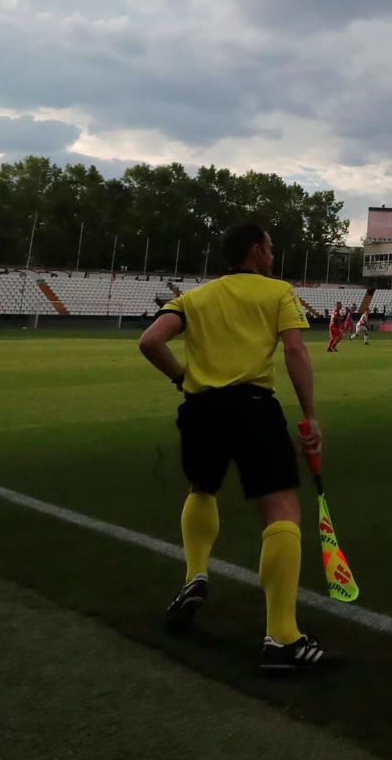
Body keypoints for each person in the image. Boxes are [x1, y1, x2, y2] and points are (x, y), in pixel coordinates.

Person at [137, 222, 329, 671]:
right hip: (253, 407)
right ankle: (282, 638)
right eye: (271, 247)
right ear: (257, 251)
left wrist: (182, 377)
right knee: (281, 509)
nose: (274, 254)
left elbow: (150, 341)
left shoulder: (194, 297)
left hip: (201, 409)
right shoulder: (278, 292)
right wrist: (310, 414)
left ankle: (195, 574)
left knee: (201, 489)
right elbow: (295, 352)